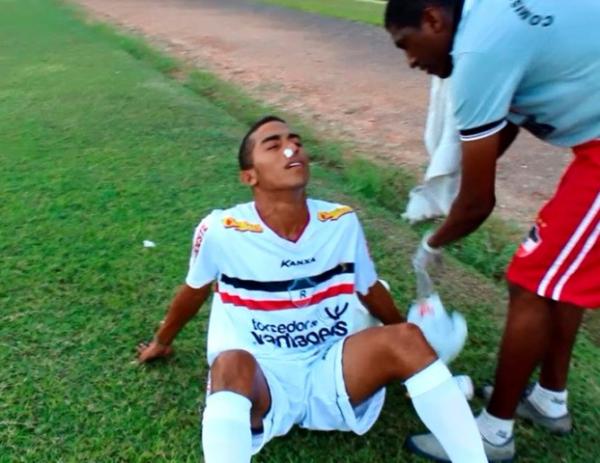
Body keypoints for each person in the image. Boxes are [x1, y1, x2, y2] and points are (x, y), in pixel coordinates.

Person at [136, 115, 487, 462]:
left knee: (407, 337)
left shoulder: (340, 221)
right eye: (274, 145)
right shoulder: (221, 229)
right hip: (262, 375)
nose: (291, 149)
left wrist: (410, 354)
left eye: (296, 142)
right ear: (249, 176)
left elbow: (368, 289)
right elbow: (193, 291)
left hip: (331, 367)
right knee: (228, 365)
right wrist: (162, 342)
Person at [384, 0, 600, 461]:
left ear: (433, 20)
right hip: (592, 148)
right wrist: (449, 187)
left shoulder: (477, 54)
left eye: (407, 44)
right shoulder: (490, 19)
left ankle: (491, 436)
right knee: (555, 281)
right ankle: (549, 399)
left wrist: (432, 243)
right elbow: (503, 130)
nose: (410, 61)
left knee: (529, 283)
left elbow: (480, 204)